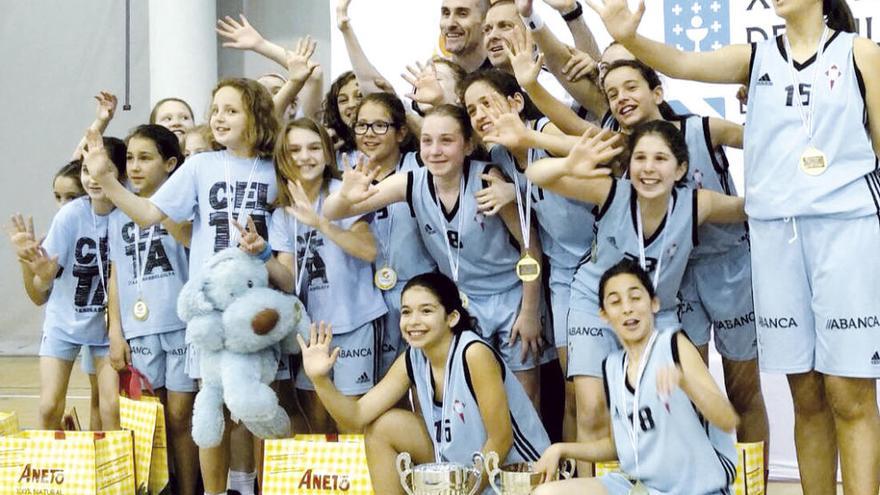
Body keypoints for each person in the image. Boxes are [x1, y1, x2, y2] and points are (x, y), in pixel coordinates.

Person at [586, 0, 880, 492]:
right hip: (773, 238)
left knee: (850, 396)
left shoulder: (862, 53)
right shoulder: (757, 57)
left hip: (843, 231)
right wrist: (629, 38)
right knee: (805, 395)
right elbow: (681, 63)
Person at [83, 78, 280, 495]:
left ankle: (247, 486)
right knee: (211, 403)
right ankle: (211, 491)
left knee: (254, 403)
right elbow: (149, 213)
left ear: (255, 117)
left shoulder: (275, 167)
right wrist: (110, 181)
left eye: (231, 110)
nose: (219, 117)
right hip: (210, 309)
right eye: (216, 109)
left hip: (261, 303)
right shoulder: (200, 166)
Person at [526, 120, 747, 479]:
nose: (648, 167)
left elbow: (745, 209)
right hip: (595, 306)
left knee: (673, 403)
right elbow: (537, 175)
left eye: (660, 158)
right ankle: (591, 487)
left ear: (681, 169)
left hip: (656, 311)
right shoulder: (611, 191)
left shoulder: (696, 204)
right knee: (593, 408)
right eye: (640, 157)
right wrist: (568, 164)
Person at [600, 59, 769, 469]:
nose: (623, 98)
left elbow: (767, 138)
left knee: (742, 389)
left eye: (631, 87)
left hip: (729, 266)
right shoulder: (624, 152)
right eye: (613, 93)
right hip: (674, 279)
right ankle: (703, 478)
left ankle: (753, 483)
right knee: (687, 391)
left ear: (657, 93)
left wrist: (760, 98)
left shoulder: (703, 129)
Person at [323, 104, 546, 407]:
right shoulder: (412, 181)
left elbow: (529, 245)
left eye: (446, 141)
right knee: (467, 397)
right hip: (463, 300)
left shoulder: (488, 178)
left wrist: (530, 310)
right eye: (427, 141)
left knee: (524, 397)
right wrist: (345, 195)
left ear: (467, 145)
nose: (435, 150)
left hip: (511, 296)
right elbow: (334, 212)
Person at [298, 272, 550, 495]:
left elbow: (500, 440)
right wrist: (320, 379)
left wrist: (465, 492)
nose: (413, 321)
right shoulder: (413, 357)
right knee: (382, 427)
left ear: (451, 317)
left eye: (426, 311)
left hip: (512, 475)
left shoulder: (473, 353)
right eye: (406, 312)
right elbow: (355, 416)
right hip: (462, 470)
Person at [459, 67, 595, 444]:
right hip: (564, 273)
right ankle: (574, 480)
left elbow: (593, 146)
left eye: (488, 102)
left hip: (608, 260)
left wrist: (518, 182)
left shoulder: (545, 131)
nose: (481, 114)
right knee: (574, 391)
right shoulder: (498, 157)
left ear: (517, 102)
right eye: (472, 110)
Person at [532, 258, 738, 494]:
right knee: (547, 493)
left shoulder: (674, 346)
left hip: (696, 489)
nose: (627, 308)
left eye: (635, 297)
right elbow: (619, 445)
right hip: (642, 486)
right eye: (616, 302)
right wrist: (560, 449)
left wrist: (686, 383)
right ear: (604, 315)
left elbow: (727, 420)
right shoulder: (612, 367)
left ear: (654, 304)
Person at [235, 117, 386, 433]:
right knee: (318, 424)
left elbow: (367, 250)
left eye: (314, 147)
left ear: (327, 153)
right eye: (295, 150)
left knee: (353, 423)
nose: (305, 156)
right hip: (311, 331)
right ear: (283, 158)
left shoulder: (342, 192)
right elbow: (289, 281)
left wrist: (322, 223)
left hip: (355, 322)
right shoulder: (282, 213)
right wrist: (262, 253)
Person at [8, 137, 127, 432]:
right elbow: (39, 291)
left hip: (106, 330)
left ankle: (116, 475)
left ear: (122, 175)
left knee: (112, 407)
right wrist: (38, 270)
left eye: (103, 171)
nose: (93, 179)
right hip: (64, 323)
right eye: (86, 171)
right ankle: (47, 470)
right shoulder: (70, 215)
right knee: (49, 406)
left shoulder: (128, 213)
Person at [106, 124, 198, 495]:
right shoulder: (117, 213)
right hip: (139, 328)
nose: (135, 167)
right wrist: (115, 330)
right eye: (130, 158)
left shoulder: (185, 207)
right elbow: (115, 274)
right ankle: (158, 488)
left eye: (146, 158)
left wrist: (168, 213)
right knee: (148, 419)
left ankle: (190, 488)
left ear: (171, 163)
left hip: (180, 326)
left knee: (179, 417)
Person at [350, 93, 436, 376]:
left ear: (401, 132)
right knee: (382, 386)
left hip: (420, 292)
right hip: (371, 302)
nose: (369, 134)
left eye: (379, 126)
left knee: (427, 383)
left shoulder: (421, 167)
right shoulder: (348, 175)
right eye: (362, 125)